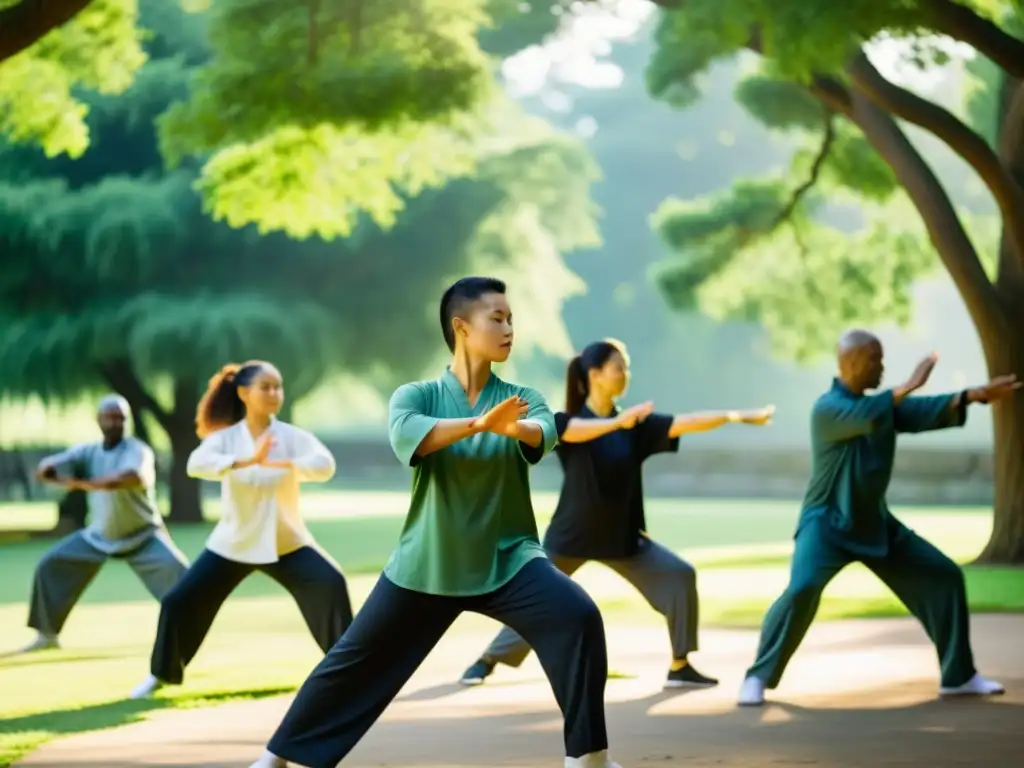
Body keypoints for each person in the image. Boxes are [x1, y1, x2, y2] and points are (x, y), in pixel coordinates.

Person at [249, 277, 619, 768]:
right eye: (498, 318)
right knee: (352, 662)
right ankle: (276, 758)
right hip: (427, 563)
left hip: (509, 559)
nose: (509, 328)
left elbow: (541, 434)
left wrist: (512, 425)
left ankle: (588, 758)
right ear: (462, 327)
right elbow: (411, 439)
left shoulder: (525, 396)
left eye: (511, 319)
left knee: (578, 617)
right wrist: (479, 424)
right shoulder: (415, 396)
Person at [460, 338, 776, 691]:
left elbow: (687, 421)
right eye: (618, 367)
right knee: (537, 603)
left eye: (626, 366)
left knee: (679, 576)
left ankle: (680, 664)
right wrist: (618, 422)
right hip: (571, 537)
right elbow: (570, 433)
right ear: (594, 374)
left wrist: (737, 416)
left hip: (623, 538)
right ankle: (486, 661)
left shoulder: (635, 426)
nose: (625, 374)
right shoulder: (565, 421)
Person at [737, 330, 1017, 707]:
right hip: (825, 525)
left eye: (882, 359)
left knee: (944, 576)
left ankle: (959, 676)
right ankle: (757, 676)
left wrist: (972, 395)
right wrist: (909, 385)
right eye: (875, 359)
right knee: (802, 588)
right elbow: (867, 416)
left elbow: (917, 411)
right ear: (850, 362)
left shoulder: (883, 407)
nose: (881, 367)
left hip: (875, 525)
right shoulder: (828, 409)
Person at [129, 361, 353, 699]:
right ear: (244, 393)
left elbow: (325, 465)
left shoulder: (291, 437)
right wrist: (245, 461)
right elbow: (195, 465)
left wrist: (288, 463)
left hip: (287, 543)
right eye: (266, 387)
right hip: (232, 546)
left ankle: (350, 675)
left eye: (278, 387)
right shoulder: (226, 439)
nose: (274, 393)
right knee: (179, 602)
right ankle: (160, 674)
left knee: (330, 584)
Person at [19, 394, 189, 653]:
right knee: (50, 566)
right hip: (98, 537)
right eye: (109, 417)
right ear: (98, 420)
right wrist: (48, 469)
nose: (114, 422)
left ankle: (188, 633)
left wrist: (83, 484)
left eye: (120, 418)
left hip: (143, 535)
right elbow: (54, 464)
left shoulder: (137, 450)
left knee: (182, 576)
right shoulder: (89, 451)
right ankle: (47, 636)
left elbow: (131, 476)